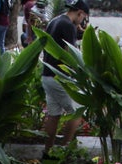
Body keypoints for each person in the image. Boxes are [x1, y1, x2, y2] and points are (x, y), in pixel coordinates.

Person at [41, 0, 89, 155]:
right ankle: (64, 149)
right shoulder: (68, 26)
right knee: (76, 112)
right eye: (83, 18)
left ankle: (48, 152)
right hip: (59, 77)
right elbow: (70, 53)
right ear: (80, 13)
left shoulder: (55, 21)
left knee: (53, 115)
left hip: (47, 75)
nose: (82, 22)